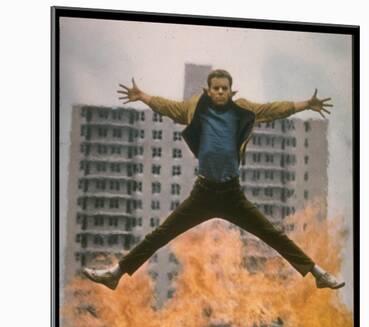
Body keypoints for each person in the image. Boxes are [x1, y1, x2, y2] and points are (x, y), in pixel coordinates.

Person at [82, 69, 344, 291]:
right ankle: (116, 273)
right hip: (203, 193)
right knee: (161, 234)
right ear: (207, 91)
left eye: (224, 89)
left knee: (272, 234)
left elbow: (272, 110)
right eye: (216, 88)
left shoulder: (243, 110)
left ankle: (317, 273)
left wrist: (306, 104)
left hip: (232, 194)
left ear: (231, 91)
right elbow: (167, 106)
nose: (220, 92)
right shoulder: (195, 110)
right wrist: (143, 96)